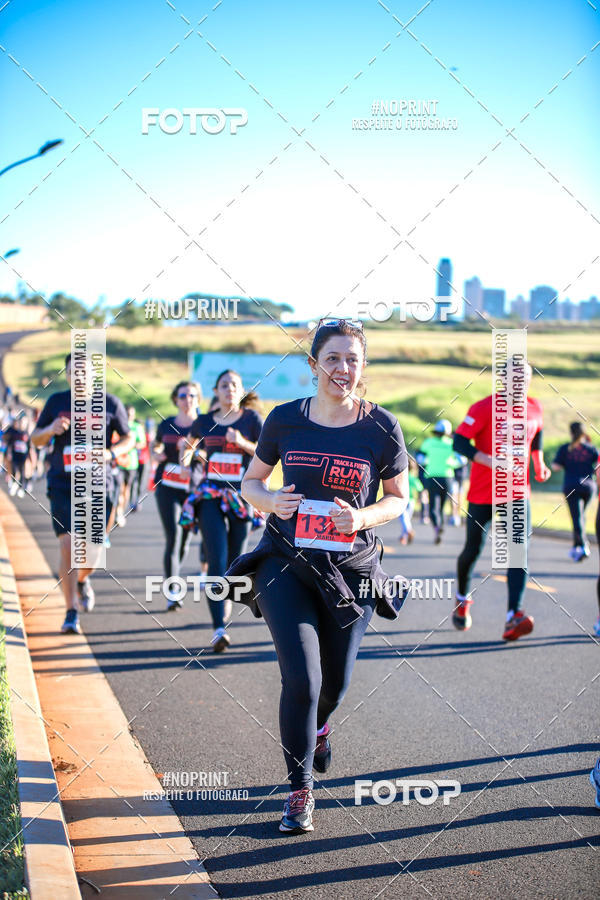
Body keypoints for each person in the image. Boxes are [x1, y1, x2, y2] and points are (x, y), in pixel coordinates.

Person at [226, 319, 409, 834]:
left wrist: (361, 517)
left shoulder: (381, 426)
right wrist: (272, 501)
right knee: (302, 680)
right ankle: (300, 790)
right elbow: (251, 483)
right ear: (313, 365)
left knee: (335, 684)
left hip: (350, 572)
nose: (342, 368)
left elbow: (399, 498)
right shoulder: (285, 419)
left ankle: (321, 726)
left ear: (362, 366)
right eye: (332, 358)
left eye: (352, 359)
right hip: (286, 561)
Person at [31, 353, 134, 634]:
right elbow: (35, 439)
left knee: (92, 551)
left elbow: (129, 438)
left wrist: (110, 452)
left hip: (99, 485)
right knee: (68, 545)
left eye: (83, 371)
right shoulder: (56, 402)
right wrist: (50, 429)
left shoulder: (110, 403)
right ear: (66, 375)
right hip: (63, 482)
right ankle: (71, 611)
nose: (78, 376)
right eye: (72, 371)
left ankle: (80, 579)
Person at [452, 361, 551, 641]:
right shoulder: (484, 408)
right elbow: (459, 442)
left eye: (526, 378)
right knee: (473, 549)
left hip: (517, 492)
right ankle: (462, 598)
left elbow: (537, 433)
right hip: (483, 492)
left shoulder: (534, 407)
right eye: (515, 378)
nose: (521, 383)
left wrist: (539, 463)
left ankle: (513, 617)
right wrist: (490, 461)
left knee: (518, 552)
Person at [182, 371, 263, 652]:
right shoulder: (204, 421)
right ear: (216, 391)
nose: (229, 389)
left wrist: (241, 442)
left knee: (234, 561)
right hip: (211, 495)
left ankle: (226, 595)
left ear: (241, 391)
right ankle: (218, 628)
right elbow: (188, 448)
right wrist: (187, 455)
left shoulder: (252, 420)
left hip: (241, 496)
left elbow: (267, 454)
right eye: (224, 385)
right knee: (216, 558)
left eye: (234, 385)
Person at [152, 382, 201, 610]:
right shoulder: (166, 424)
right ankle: (173, 591)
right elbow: (155, 445)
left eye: (192, 395)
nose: (187, 400)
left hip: (193, 489)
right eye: (182, 396)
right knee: (173, 535)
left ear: (198, 399)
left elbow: (212, 452)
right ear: (175, 399)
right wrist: (156, 454)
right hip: (167, 486)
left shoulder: (204, 424)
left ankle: (174, 574)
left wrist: (193, 452)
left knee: (184, 540)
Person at [551, 422, 598, 561]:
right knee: (581, 516)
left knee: (577, 517)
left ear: (571, 433)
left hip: (572, 486)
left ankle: (582, 545)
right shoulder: (591, 449)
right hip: (589, 487)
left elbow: (555, 466)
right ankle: (576, 546)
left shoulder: (565, 448)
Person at [417, 419, 458, 544]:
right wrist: (451, 464)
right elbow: (462, 460)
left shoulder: (428, 442)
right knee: (442, 506)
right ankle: (440, 526)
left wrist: (428, 463)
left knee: (433, 506)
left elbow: (420, 458)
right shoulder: (452, 443)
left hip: (432, 476)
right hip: (447, 477)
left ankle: (437, 527)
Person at [3, 410, 33, 498]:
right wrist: (8, 453)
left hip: (23, 457)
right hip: (15, 456)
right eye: (20, 422)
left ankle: (22, 488)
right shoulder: (13, 432)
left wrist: (30, 457)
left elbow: (30, 447)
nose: (21, 424)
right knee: (14, 470)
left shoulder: (27, 434)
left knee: (23, 472)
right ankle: (13, 483)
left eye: (23, 422)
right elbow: (8, 442)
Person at [398, 457, 422, 545]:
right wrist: (419, 498)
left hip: (403, 500)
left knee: (404, 518)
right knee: (406, 519)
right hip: (412, 501)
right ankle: (404, 536)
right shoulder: (413, 478)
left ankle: (408, 531)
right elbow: (420, 488)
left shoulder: (401, 477)